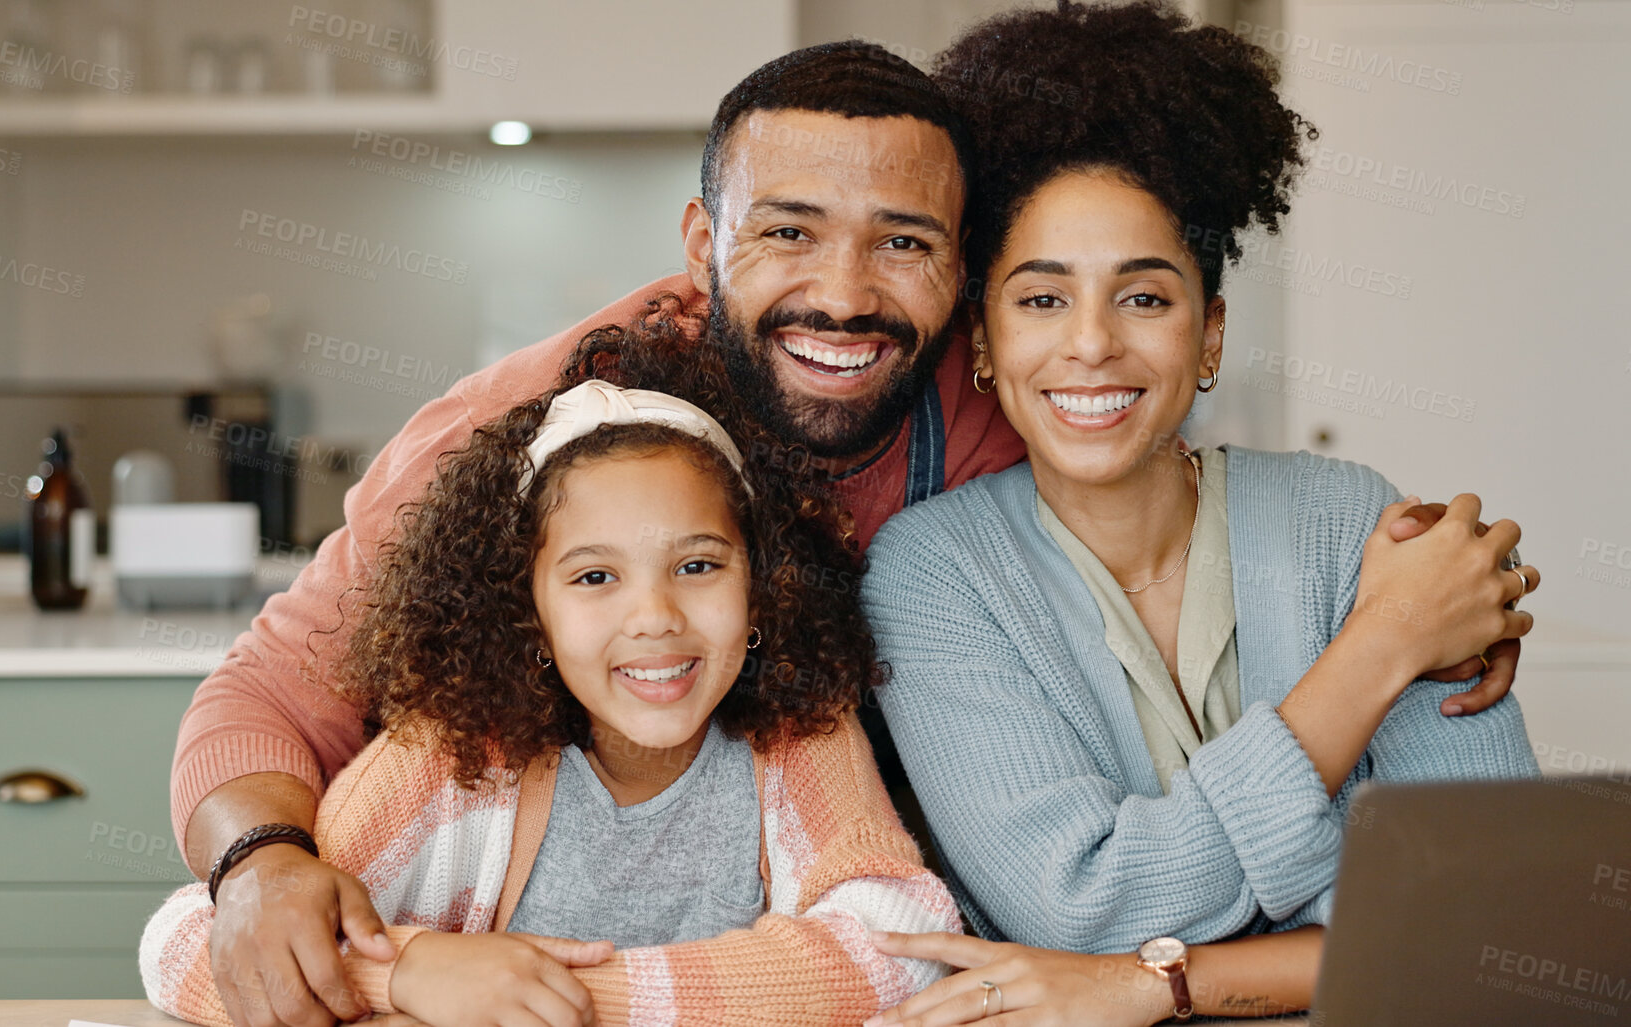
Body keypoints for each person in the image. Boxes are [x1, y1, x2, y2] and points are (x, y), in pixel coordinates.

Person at [172, 39, 1526, 1027]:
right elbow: (268, 691)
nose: (842, 291)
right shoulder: (533, 433)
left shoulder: (1008, 411)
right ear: (703, 238)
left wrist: (1426, 597)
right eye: (788, 233)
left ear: (956, 286)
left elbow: (1491, 912)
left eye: (902, 243)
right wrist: (263, 869)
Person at [858, 3, 1542, 1023]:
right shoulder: (931, 570)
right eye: (1042, 299)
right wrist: (1383, 645)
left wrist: (1158, 980)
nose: (1091, 345)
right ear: (984, 339)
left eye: (1145, 297)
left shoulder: (1351, 519)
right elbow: (1080, 908)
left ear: (1210, 333)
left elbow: (1485, 910)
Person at [142, 322, 958, 1027]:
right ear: (527, 609)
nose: (654, 617)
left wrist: (563, 1001)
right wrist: (413, 971)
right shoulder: (456, 751)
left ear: (761, 588)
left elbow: (904, 940)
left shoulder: (797, 730)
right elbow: (186, 942)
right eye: (594, 577)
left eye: (698, 565)